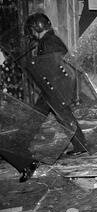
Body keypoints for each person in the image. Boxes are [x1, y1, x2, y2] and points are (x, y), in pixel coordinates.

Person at [25, 13, 87, 156]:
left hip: (55, 86)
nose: (31, 32)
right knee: (40, 114)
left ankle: (81, 144)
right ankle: (23, 141)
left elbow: (55, 65)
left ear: (37, 28)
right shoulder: (49, 40)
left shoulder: (49, 42)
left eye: (32, 29)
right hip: (52, 85)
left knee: (63, 116)